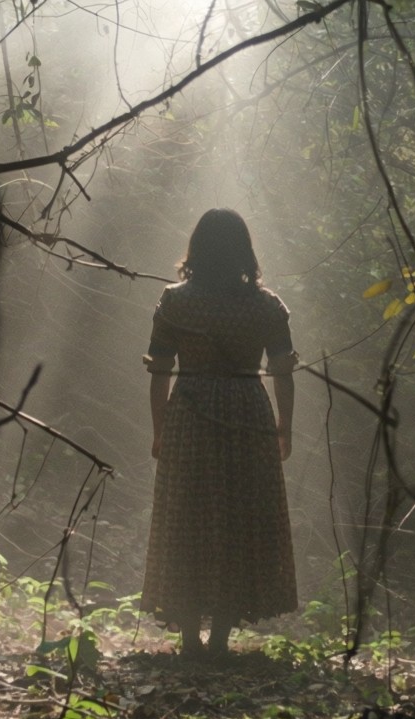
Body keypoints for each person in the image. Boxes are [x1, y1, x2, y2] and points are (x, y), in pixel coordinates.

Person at [140, 208, 298, 658]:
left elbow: (160, 370)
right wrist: (285, 427)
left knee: (186, 517)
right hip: (248, 411)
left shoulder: (175, 301)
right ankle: (222, 639)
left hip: (190, 411)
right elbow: (283, 373)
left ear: (197, 248)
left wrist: (159, 430)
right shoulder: (267, 307)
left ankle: (190, 638)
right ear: (244, 251)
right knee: (238, 518)